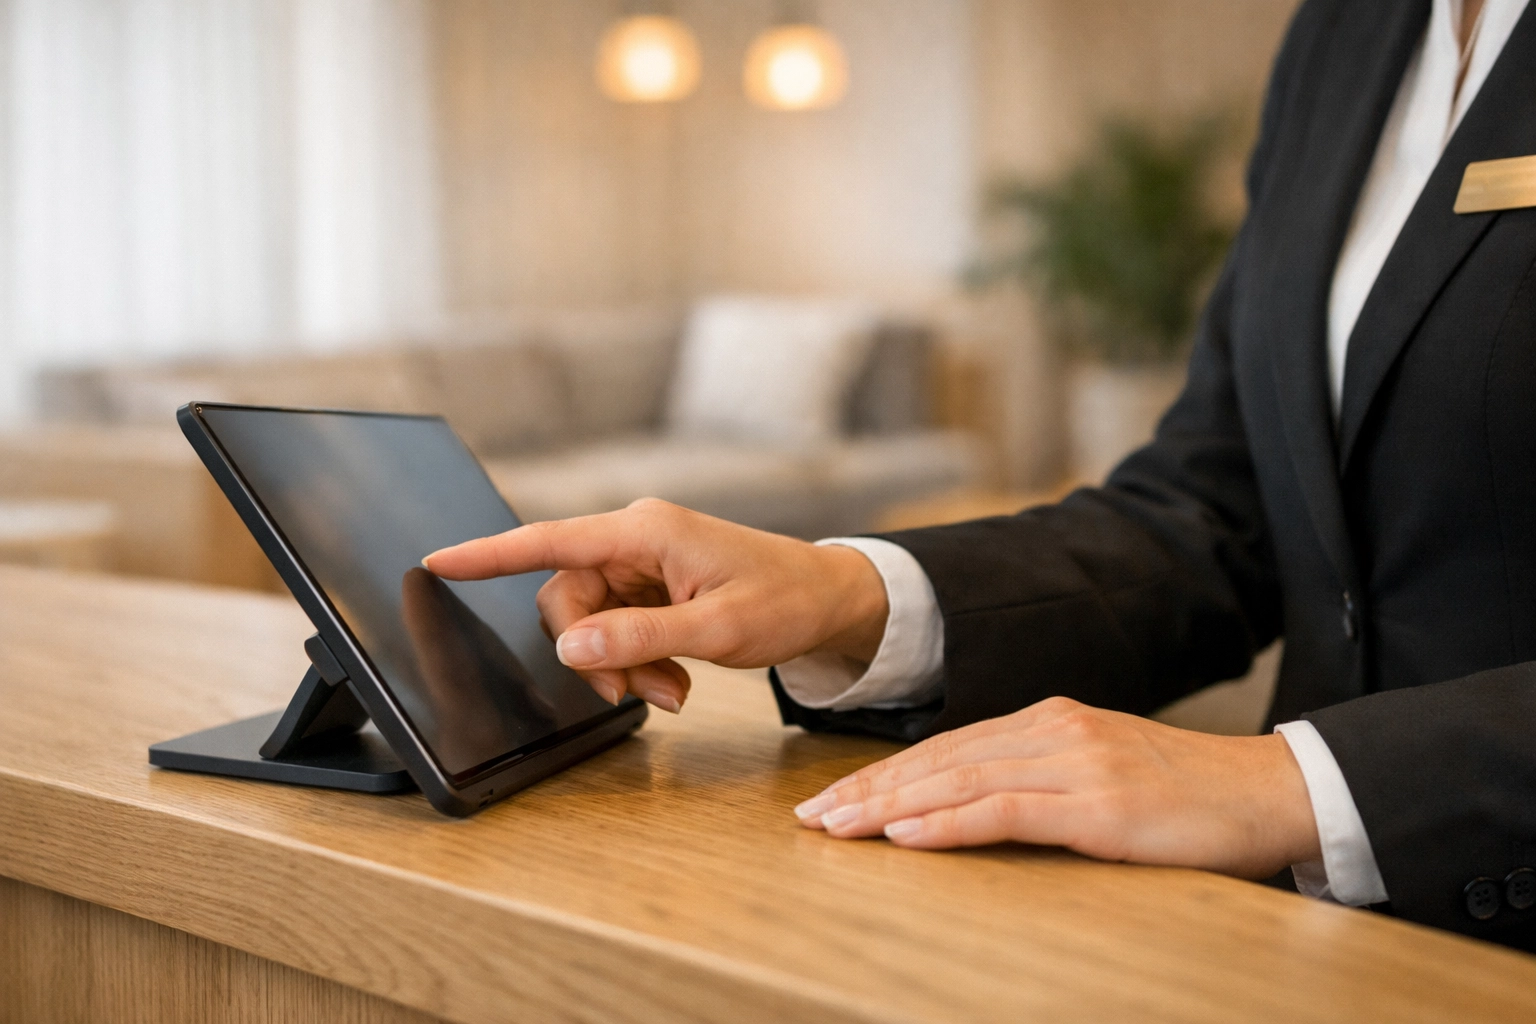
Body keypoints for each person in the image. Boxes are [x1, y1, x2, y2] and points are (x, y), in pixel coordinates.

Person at [427, 0, 1536, 948]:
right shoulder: (1350, 30)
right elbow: (1218, 509)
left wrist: (1289, 782)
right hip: (1305, 944)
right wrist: (851, 593)